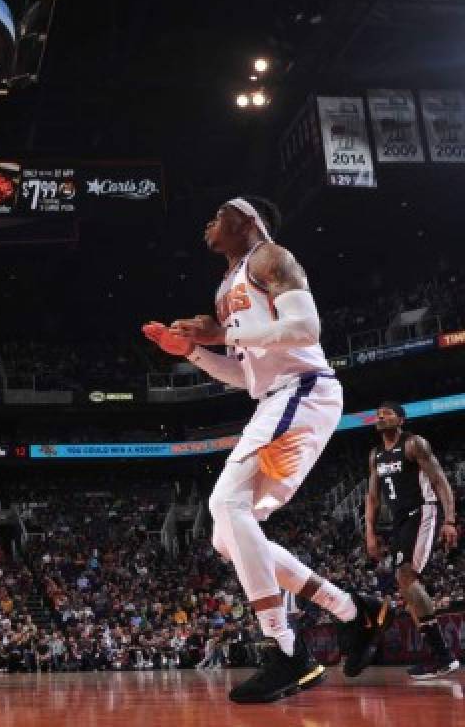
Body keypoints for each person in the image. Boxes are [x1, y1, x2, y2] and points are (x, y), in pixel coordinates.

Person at [142, 197, 386, 703]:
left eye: (218, 214)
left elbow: (305, 329)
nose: (208, 222)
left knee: (225, 505)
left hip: (304, 388)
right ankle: (352, 609)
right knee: (230, 536)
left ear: (247, 220)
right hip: (277, 397)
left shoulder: (271, 258)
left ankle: (287, 649)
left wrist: (223, 331)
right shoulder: (227, 286)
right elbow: (246, 375)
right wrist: (192, 351)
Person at [366, 401, 459, 678]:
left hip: (423, 510)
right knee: (404, 584)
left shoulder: (413, 444)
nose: (381, 416)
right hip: (399, 521)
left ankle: (443, 656)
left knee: (406, 577)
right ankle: (438, 654)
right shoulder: (375, 456)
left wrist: (450, 519)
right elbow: (372, 497)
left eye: (388, 413)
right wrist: (369, 532)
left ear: (401, 420)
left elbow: (440, 480)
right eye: (378, 413)